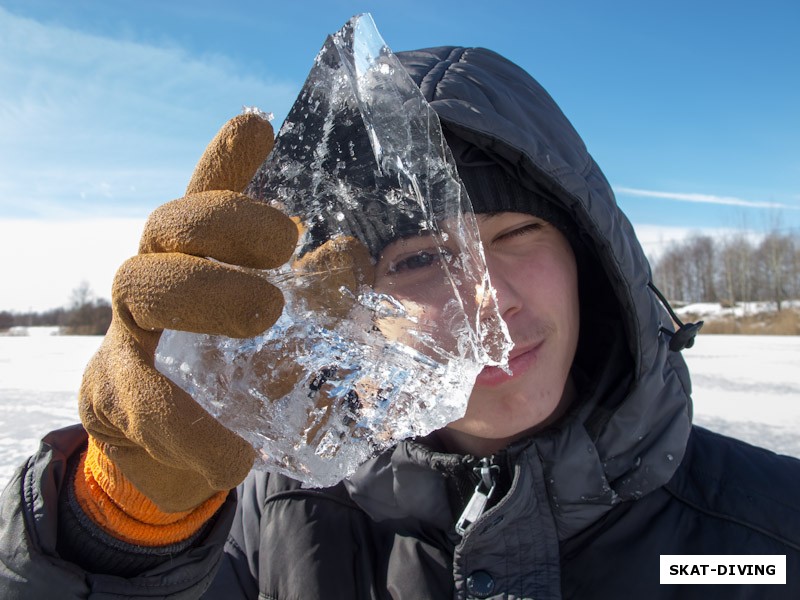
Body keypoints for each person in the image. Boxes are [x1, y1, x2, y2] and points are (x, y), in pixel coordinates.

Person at [1, 45, 799, 600]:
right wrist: (118, 526)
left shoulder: (766, 529)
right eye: (419, 260)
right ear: (348, 304)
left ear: (589, 256)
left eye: (513, 237)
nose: (487, 301)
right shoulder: (269, 522)